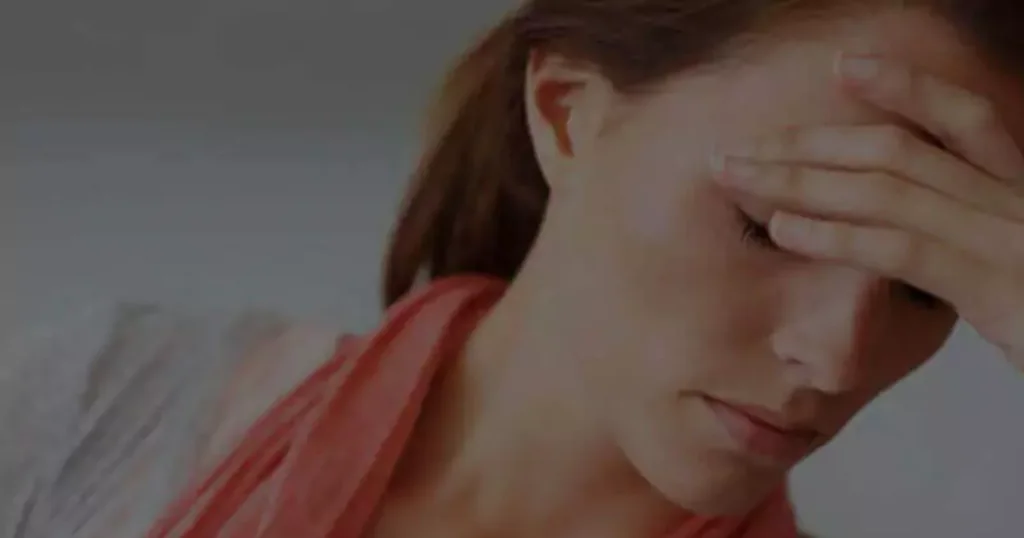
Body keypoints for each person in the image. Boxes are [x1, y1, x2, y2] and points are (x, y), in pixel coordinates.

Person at [3, 0, 1024, 537]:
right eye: (773, 228)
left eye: (924, 284)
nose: (836, 355)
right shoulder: (101, 407)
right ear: (567, 114)